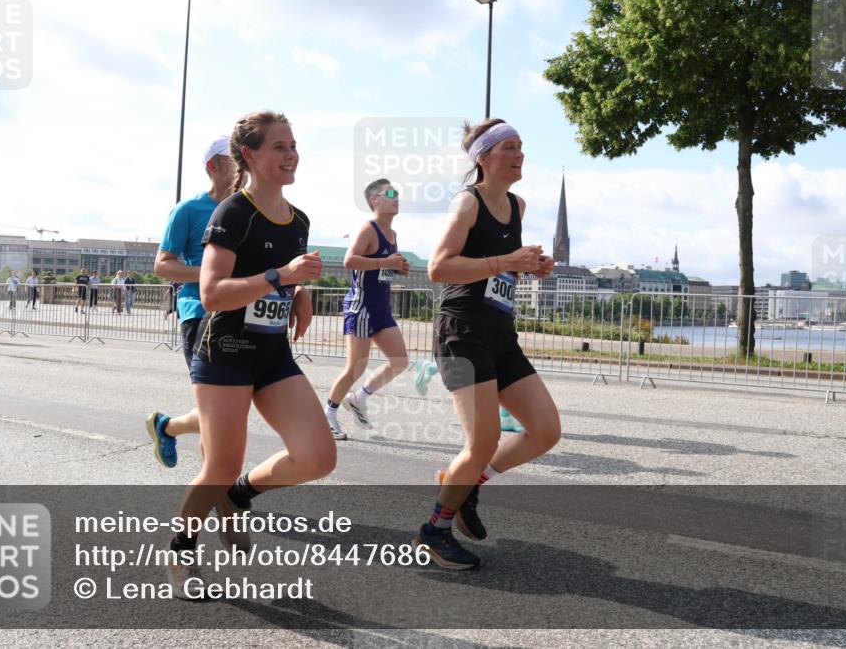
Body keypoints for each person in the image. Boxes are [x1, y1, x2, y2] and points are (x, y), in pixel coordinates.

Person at [166, 111, 334, 599]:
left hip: (273, 353)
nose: (291, 155)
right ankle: (181, 549)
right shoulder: (232, 214)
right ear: (250, 155)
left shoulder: (298, 219)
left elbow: (287, 275)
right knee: (218, 464)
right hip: (226, 352)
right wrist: (281, 276)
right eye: (279, 147)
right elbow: (213, 292)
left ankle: (240, 496)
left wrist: (300, 291)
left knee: (319, 456)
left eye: (293, 145)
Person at [412, 119, 560, 570]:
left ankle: (467, 484)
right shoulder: (466, 204)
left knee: (544, 430)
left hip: (500, 334)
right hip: (459, 334)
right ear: (483, 157)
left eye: (522, 146)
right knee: (482, 441)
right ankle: (434, 531)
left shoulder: (517, 204)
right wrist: (506, 260)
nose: (519, 155)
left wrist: (529, 267)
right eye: (509, 147)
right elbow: (439, 268)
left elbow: (498, 271)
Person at [147, 135, 234, 468]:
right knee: (218, 409)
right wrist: (209, 273)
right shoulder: (189, 210)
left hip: (242, 314)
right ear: (212, 166)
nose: (241, 166)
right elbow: (162, 263)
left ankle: (166, 427)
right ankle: (217, 492)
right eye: (231, 160)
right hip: (200, 313)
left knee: (228, 407)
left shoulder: (248, 209)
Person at [324, 178, 410, 440]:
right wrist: (386, 261)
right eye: (391, 193)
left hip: (381, 308)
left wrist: (397, 267)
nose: (396, 198)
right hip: (360, 307)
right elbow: (349, 261)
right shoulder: (368, 229)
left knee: (399, 361)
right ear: (375, 200)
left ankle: (359, 397)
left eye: (398, 193)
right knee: (355, 367)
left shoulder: (392, 234)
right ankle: (327, 416)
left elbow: (381, 266)